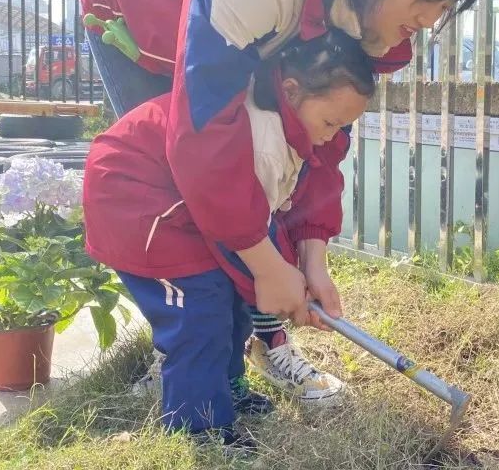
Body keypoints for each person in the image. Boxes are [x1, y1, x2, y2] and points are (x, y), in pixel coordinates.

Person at [80, 0, 484, 411]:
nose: (433, 18)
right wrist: (270, 268)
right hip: (140, 0)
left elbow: (315, 148)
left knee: (262, 174)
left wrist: (310, 260)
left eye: (446, 6)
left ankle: (256, 346)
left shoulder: (362, 22)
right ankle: (186, 355)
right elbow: (203, 138)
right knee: (185, 190)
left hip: (236, 27)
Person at [84, 31, 375, 448]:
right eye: (330, 122)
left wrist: (294, 277)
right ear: (291, 92)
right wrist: (280, 294)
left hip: (193, 205)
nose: (334, 135)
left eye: (343, 126)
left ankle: (226, 385)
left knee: (236, 296)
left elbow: (264, 227)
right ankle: (198, 429)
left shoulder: (292, 131)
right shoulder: (263, 143)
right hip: (139, 204)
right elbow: (239, 235)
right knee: (200, 314)